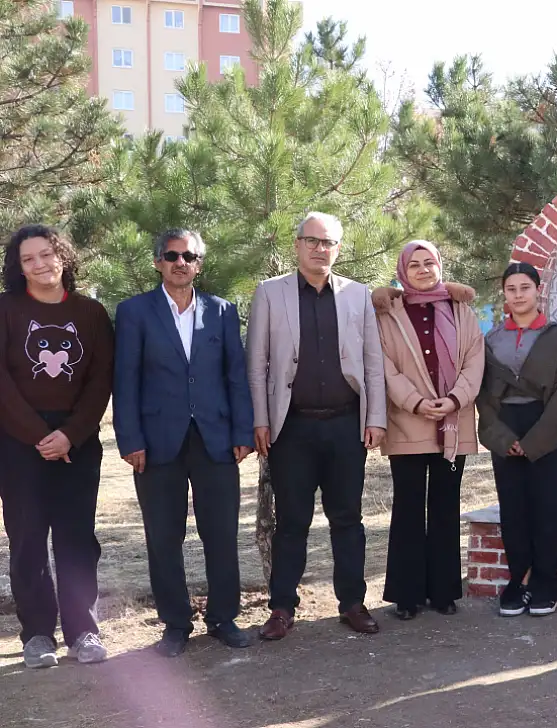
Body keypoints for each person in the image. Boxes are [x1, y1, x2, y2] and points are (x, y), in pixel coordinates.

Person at [112, 229, 255, 657]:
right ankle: (175, 624)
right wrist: (130, 439)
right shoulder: (134, 312)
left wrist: (242, 433)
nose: (180, 262)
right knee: (163, 535)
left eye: (188, 256)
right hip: (156, 444)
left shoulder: (222, 311)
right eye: (171, 255)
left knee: (222, 533)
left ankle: (223, 618)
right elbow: (126, 380)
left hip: (215, 439)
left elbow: (236, 376)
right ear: (157, 262)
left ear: (199, 264)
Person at [246, 211, 388, 640]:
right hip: (292, 428)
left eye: (328, 242)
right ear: (297, 245)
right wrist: (260, 420)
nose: (319, 249)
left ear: (338, 248)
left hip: (347, 426)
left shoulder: (358, 295)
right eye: (312, 240)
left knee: (348, 519)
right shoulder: (271, 293)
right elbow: (256, 365)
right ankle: (282, 607)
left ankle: (352, 602)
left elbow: (373, 363)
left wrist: (376, 418)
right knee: (292, 521)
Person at [0, 225, 113, 668]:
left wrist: (71, 434)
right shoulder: (7, 310)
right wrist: (36, 436)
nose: (40, 264)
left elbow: (100, 380)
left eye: (46, 254)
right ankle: (38, 635)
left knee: (77, 538)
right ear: (18, 267)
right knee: (27, 538)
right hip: (16, 440)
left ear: (62, 256)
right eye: (28, 259)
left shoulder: (90, 313)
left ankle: (83, 630)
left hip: (77, 439)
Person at [372, 241, 484, 620]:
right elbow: (385, 368)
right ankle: (407, 595)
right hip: (407, 423)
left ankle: (443, 592)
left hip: (454, 422)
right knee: (407, 508)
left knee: (445, 507)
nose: (423, 269)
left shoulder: (462, 311)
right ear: (403, 271)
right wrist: (417, 403)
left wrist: (454, 400)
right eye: (415, 264)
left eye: (430, 262)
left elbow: (474, 361)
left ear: (440, 265)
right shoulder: (388, 314)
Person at [477, 262, 557, 618]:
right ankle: (517, 580)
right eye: (511, 289)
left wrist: (534, 441)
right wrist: (504, 438)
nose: (518, 295)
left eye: (525, 288)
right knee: (513, 508)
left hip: (547, 426)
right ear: (504, 294)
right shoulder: (491, 339)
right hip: (505, 426)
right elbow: (485, 396)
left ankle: (547, 582)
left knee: (547, 507)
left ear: (538, 290)